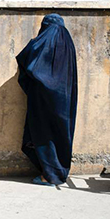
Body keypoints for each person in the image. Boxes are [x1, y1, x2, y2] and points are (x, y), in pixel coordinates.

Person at [15, 13, 77, 186]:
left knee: (44, 135)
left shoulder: (45, 40)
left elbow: (29, 61)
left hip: (44, 100)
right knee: (60, 134)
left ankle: (49, 176)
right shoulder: (67, 43)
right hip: (64, 99)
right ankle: (59, 171)